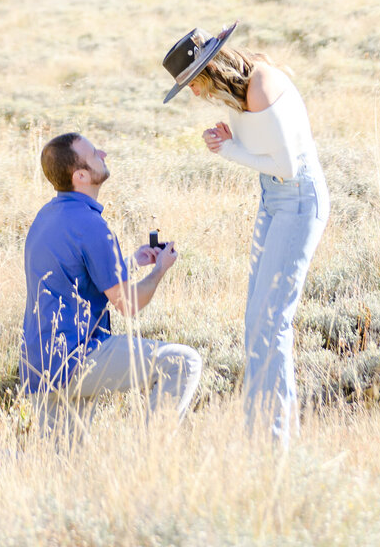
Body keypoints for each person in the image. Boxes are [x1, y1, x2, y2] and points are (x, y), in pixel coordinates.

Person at [161, 23, 329, 447]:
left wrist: (230, 150)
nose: (195, 95)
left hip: (296, 200)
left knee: (269, 323)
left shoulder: (259, 85)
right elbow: (271, 148)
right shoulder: (241, 89)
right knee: (259, 322)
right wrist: (235, 139)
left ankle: (271, 445)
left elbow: (287, 167)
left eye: (193, 84)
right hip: (275, 201)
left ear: (210, 68)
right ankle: (272, 436)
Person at [19, 131, 202, 432]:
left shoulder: (47, 216)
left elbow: (71, 277)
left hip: (39, 365)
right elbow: (129, 305)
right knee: (183, 363)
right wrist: (160, 270)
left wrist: (130, 262)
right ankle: (151, 458)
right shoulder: (92, 226)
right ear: (80, 175)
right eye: (94, 155)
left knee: (60, 467)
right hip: (77, 357)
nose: (102, 153)